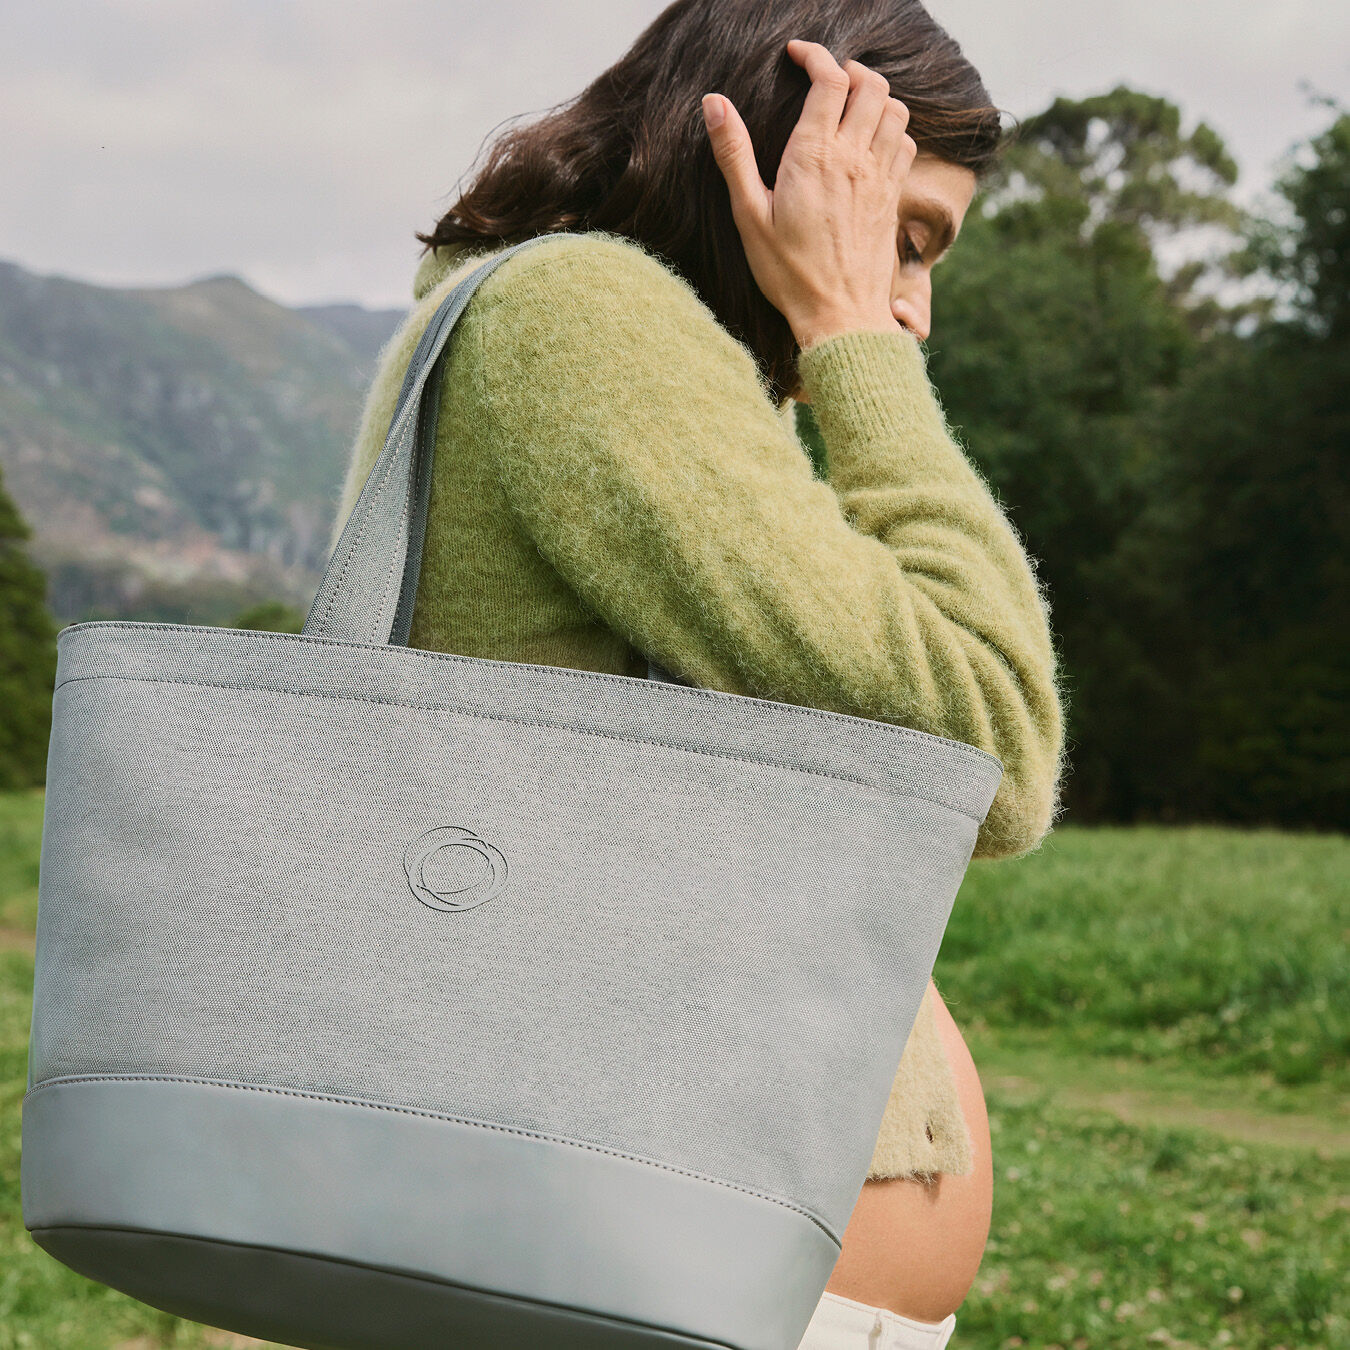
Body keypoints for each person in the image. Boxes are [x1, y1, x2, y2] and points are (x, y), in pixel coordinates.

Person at [328, 3, 1066, 1346]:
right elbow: (994, 749)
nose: (910, 300)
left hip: (674, 1269)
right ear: (765, 172)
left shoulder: (634, 350)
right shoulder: (582, 318)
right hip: (651, 1275)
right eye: (894, 233)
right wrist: (854, 338)